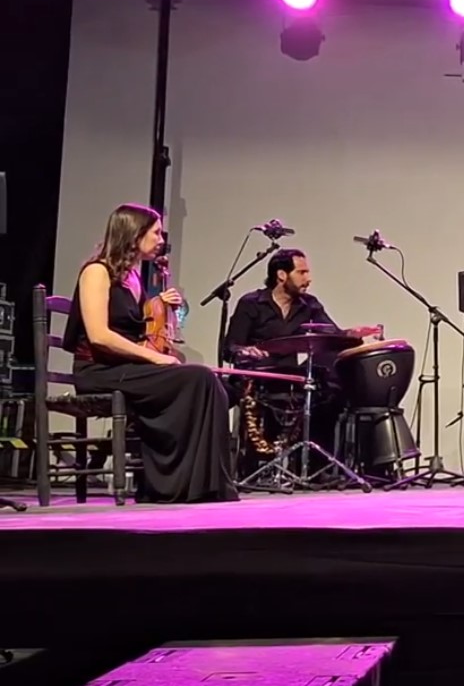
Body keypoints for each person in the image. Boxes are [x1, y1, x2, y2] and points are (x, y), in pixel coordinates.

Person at [61, 203, 238, 504]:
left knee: (212, 382)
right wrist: (155, 358)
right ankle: (172, 484)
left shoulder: (132, 277)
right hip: (98, 371)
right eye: (155, 233)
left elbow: (140, 329)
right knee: (197, 377)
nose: (161, 239)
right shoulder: (96, 272)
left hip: (125, 369)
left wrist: (165, 312)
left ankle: (199, 483)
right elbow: (99, 336)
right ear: (134, 234)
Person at [224, 249, 380, 457]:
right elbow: (229, 348)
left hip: (291, 378)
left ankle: (319, 462)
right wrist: (245, 351)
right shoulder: (251, 303)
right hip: (256, 380)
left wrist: (352, 334)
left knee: (331, 387)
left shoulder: (309, 305)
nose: (308, 278)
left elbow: (332, 336)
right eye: (302, 272)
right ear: (281, 275)